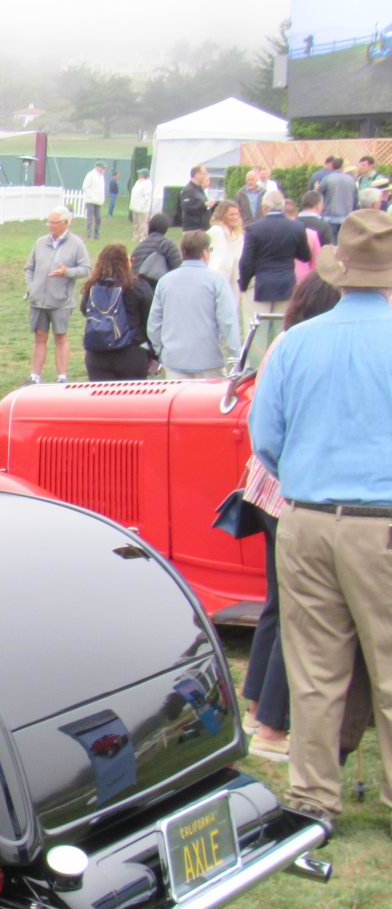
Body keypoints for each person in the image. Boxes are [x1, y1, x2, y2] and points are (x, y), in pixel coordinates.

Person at [248, 209, 392, 832]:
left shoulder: (295, 341)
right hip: (380, 521)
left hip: (305, 519)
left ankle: (312, 796)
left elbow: (267, 441)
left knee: (313, 669)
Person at [237, 273, 343, 763]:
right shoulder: (318, 348)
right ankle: (275, 727)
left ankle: (257, 707)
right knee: (297, 614)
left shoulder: (284, 343)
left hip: (264, 486)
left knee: (277, 604)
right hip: (293, 492)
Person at [145, 230, 241, 379]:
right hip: (208, 360)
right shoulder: (217, 281)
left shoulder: (165, 282)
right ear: (205, 253)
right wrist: (236, 354)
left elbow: (154, 324)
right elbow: (228, 321)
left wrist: (162, 350)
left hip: (174, 359)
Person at [23, 207, 90, 384]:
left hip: (61, 301)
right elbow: (29, 267)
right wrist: (32, 287)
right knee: (39, 337)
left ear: (66, 223)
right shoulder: (40, 242)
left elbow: (85, 269)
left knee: (60, 337)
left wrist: (66, 272)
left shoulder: (76, 244)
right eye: (49, 222)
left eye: (54, 222)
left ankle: (62, 377)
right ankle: (35, 376)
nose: (50, 226)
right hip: (38, 301)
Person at [238, 189, 311, 349]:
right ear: (283, 207)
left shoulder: (254, 229)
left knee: (256, 333)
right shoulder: (296, 228)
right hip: (286, 281)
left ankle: (256, 369)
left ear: (265, 207)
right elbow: (305, 255)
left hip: (260, 282)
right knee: (281, 331)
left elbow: (246, 261)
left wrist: (243, 284)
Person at [77, 243, 153, 380]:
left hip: (97, 356)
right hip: (131, 353)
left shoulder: (92, 287)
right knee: (133, 400)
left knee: (102, 401)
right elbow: (149, 318)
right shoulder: (136, 286)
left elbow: (84, 310)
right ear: (126, 263)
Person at [131, 212, 183, 292]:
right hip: (158, 290)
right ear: (166, 229)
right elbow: (178, 271)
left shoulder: (138, 248)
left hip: (138, 291)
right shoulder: (168, 245)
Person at [318, 157, 357, 239]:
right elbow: (355, 199)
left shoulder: (327, 178)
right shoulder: (351, 179)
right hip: (346, 216)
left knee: (331, 242)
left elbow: (319, 194)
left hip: (330, 216)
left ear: (332, 166)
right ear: (342, 167)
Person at [179, 165, 211, 232]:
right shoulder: (189, 190)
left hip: (202, 228)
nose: (206, 176)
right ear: (197, 175)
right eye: (204, 174)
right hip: (193, 230)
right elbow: (187, 208)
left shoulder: (199, 189)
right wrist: (204, 205)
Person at [80, 162, 107, 239]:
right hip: (90, 201)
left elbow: (102, 189)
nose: (104, 170)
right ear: (98, 167)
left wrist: (102, 198)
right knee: (90, 218)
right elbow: (85, 187)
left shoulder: (101, 177)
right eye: (103, 168)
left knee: (98, 218)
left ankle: (96, 234)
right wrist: (91, 196)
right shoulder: (90, 175)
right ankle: (89, 234)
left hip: (98, 201)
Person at [128, 168, 154, 243]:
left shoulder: (148, 183)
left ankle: (143, 237)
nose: (139, 175)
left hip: (143, 208)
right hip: (135, 206)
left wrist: (143, 205)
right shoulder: (138, 182)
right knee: (136, 223)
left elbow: (146, 195)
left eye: (140, 174)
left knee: (142, 223)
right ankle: (136, 236)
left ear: (144, 175)